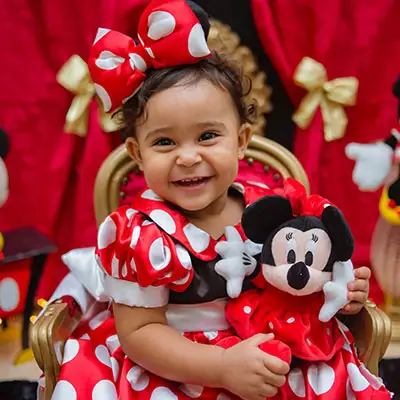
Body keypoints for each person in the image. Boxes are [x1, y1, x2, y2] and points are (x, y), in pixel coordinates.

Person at [46, 1, 370, 399]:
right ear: (136, 153)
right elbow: (140, 333)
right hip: (181, 362)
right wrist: (220, 367)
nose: (187, 156)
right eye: (164, 142)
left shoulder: (275, 209)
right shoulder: (139, 235)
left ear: (242, 142)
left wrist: (341, 292)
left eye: (207, 136)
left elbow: (305, 275)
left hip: (276, 350)